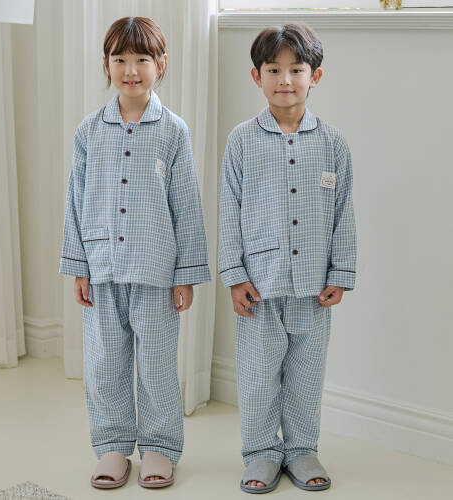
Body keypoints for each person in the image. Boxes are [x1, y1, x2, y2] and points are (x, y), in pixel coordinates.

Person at [59, 16, 210, 490]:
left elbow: (186, 204)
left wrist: (185, 273)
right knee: (105, 365)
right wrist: (79, 266)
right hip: (102, 268)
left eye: (141, 59)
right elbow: (75, 200)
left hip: (156, 272)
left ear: (160, 64)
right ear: (106, 64)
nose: (130, 70)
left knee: (158, 365)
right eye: (120, 59)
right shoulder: (89, 131)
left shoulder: (173, 131)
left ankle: (160, 447)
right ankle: (112, 446)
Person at [218, 22, 357, 493]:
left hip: (314, 286)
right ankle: (261, 451)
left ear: (314, 76)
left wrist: (341, 272)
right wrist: (234, 275)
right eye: (273, 69)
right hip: (259, 285)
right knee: (259, 376)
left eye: (296, 69)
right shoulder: (241, 140)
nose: (285, 79)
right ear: (256, 76)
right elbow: (229, 210)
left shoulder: (333, 143)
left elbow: (343, 212)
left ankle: (300, 449)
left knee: (305, 375)